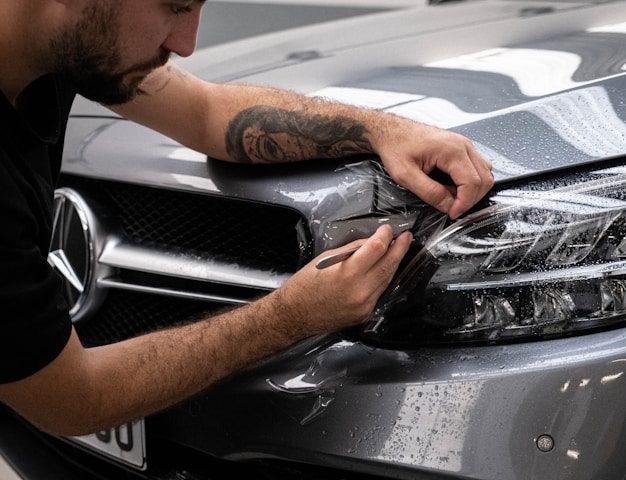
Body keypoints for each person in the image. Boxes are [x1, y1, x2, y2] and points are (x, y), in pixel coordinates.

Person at [0, 0, 493, 437]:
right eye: (175, 6)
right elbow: (71, 399)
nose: (186, 44)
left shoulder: (63, 41)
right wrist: (293, 314)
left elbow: (205, 111)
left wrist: (382, 129)